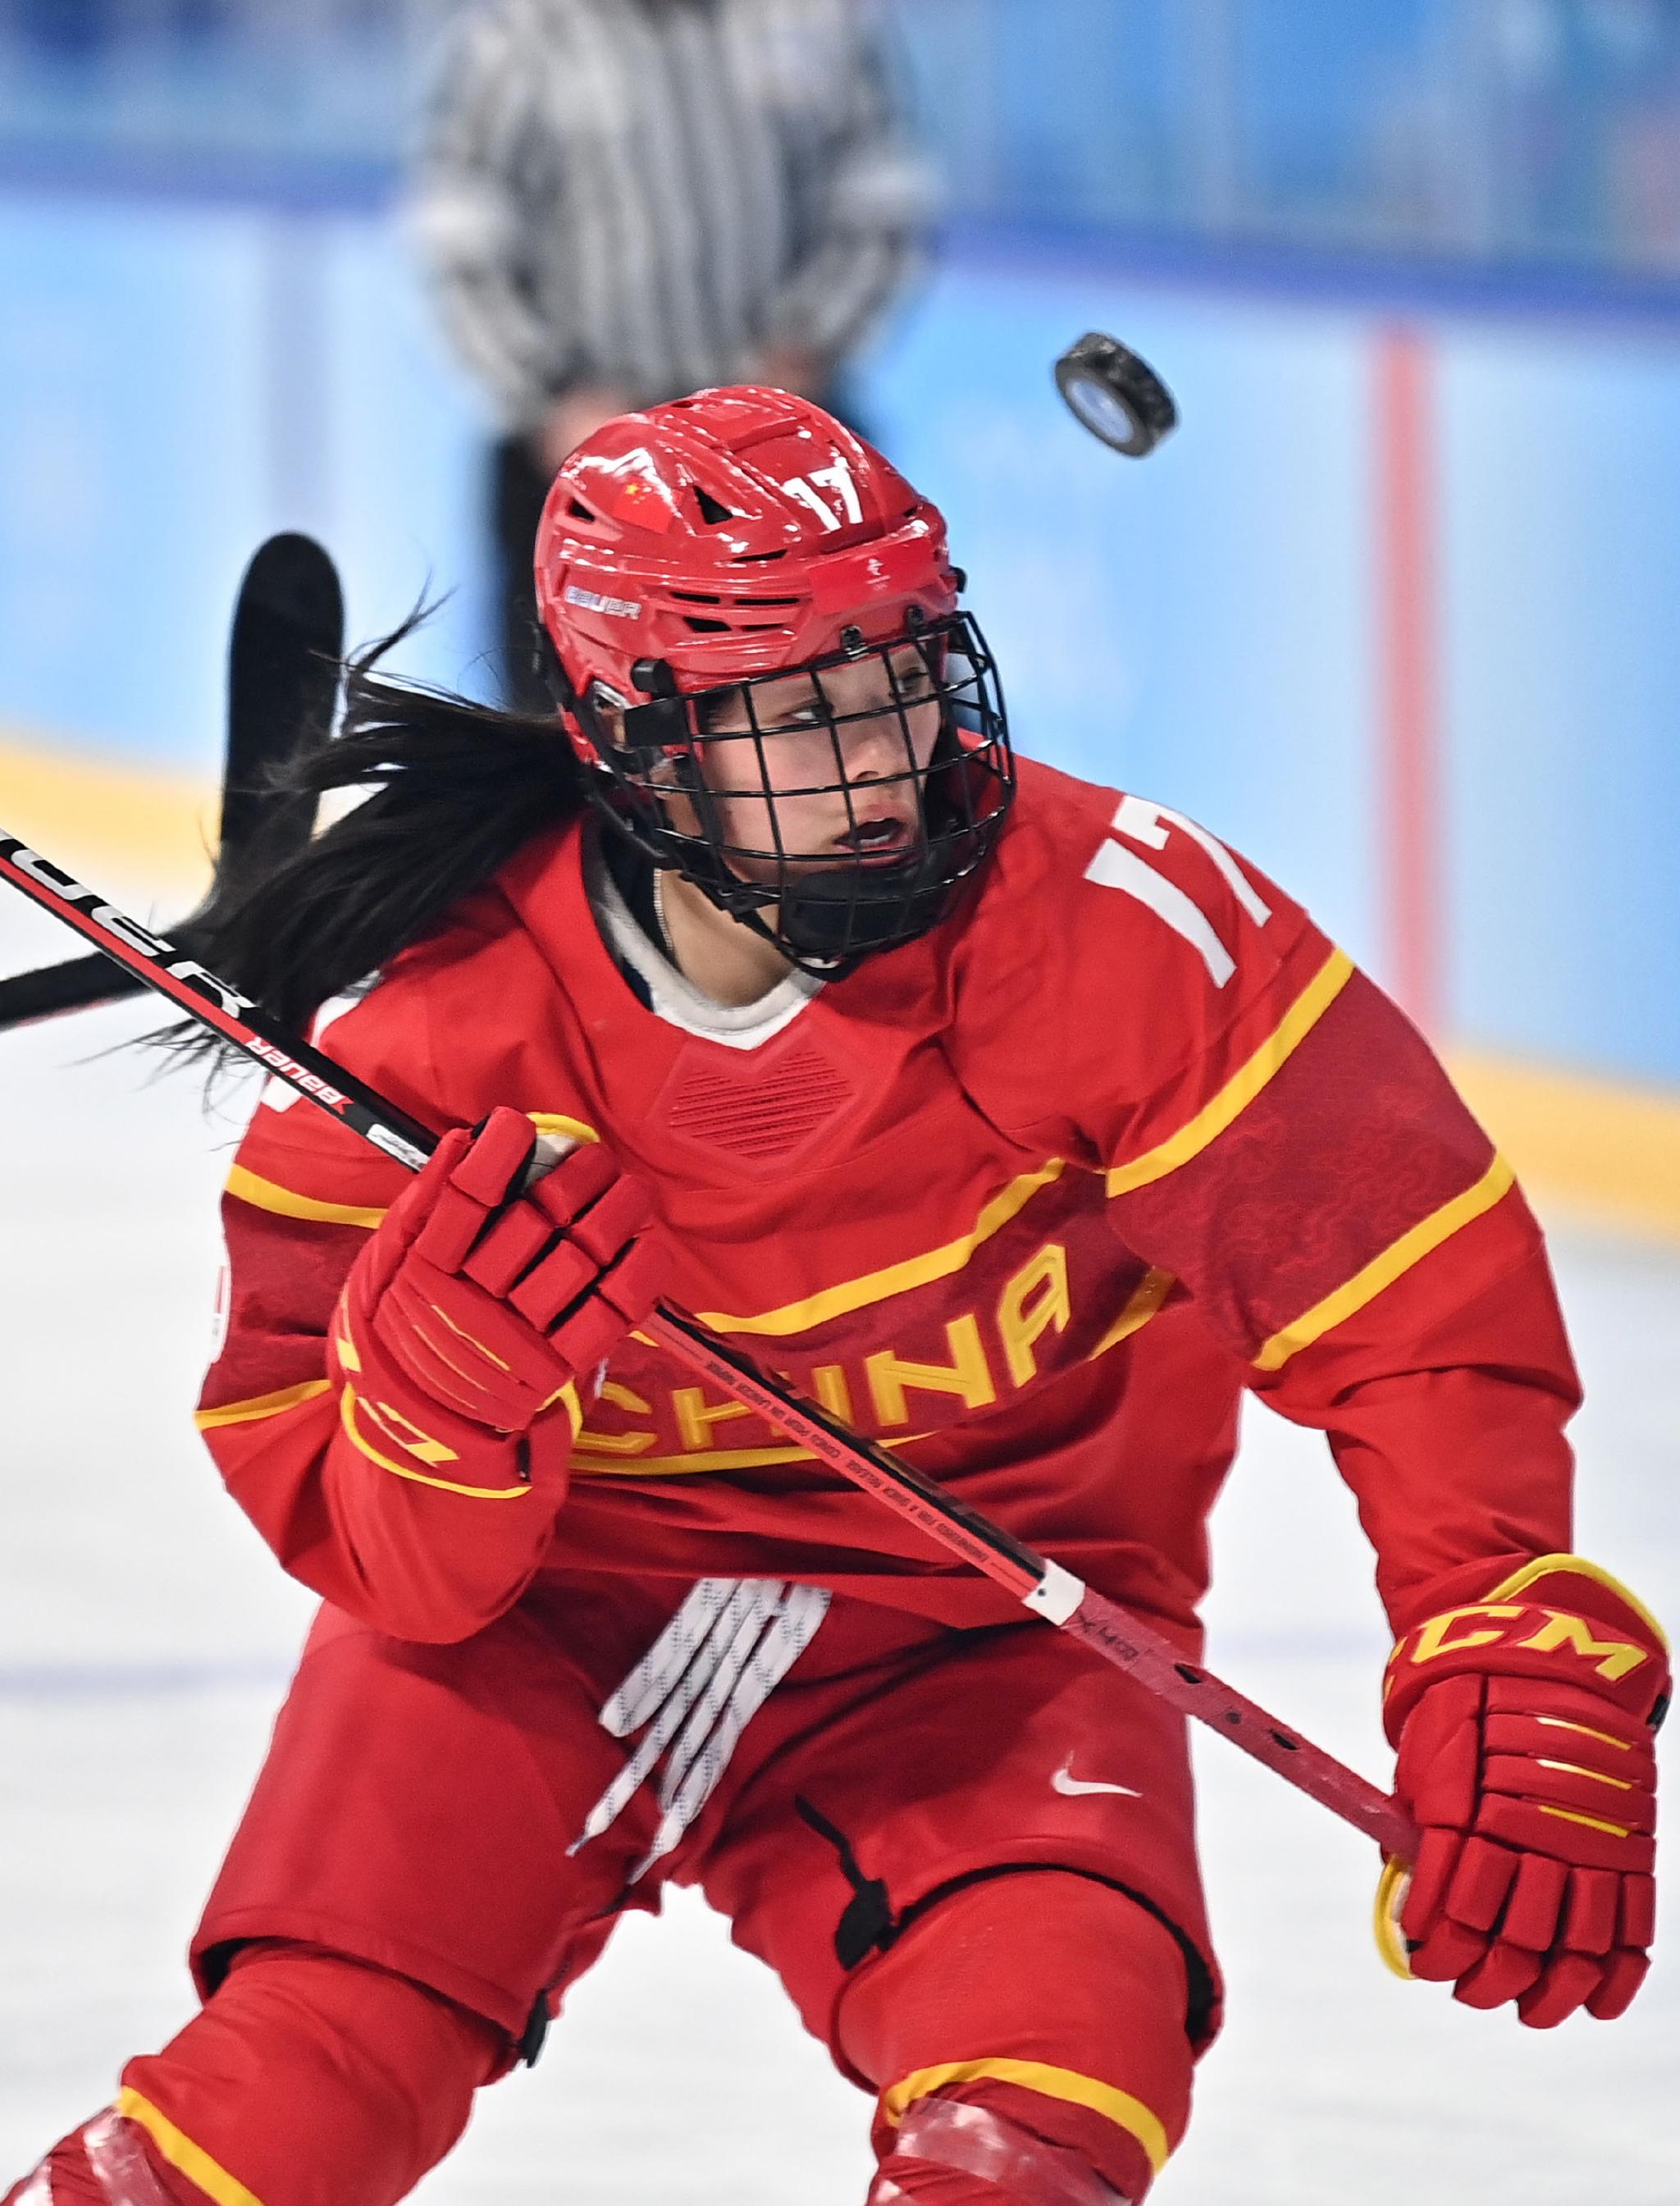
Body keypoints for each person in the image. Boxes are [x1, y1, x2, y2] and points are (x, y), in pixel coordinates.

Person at [7, 387, 1665, 2206]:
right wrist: (434, 1423)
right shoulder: (435, 1043)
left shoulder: (1121, 931)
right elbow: (373, 1547)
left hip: (986, 1649)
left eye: (895, 673)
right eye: (796, 710)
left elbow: (1408, 1291)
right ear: (631, 740)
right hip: (531, 1637)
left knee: (1035, 2127)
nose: (880, 753)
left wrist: (1498, 1608)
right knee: (262, 2128)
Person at [407, 0, 930, 711]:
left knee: (859, 698)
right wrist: (552, 394)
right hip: (586, 463)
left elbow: (882, 201)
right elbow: (460, 233)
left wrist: (804, 347)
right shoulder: (520, 31)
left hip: (786, 455)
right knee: (560, 733)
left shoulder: (815, 21)